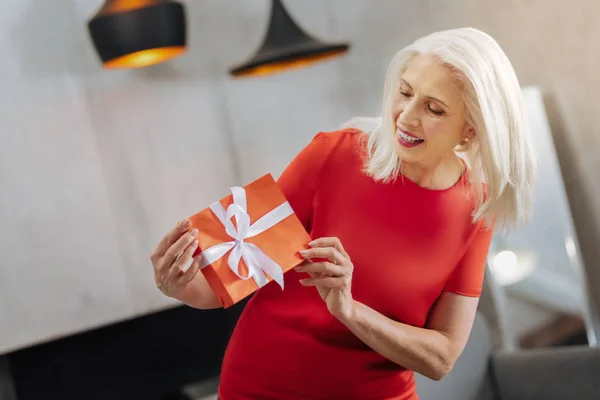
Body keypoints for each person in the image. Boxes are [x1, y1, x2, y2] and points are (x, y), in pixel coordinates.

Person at [150, 27, 537, 400]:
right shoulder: (333, 156)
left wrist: (349, 310)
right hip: (265, 385)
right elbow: (217, 284)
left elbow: (441, 358)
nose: (405, 116)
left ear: (469, 131)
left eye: (434, 108)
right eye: (405, 92)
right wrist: (177, 284)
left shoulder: (476, 208)